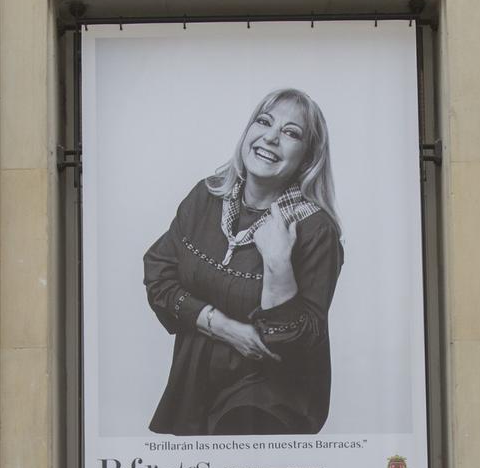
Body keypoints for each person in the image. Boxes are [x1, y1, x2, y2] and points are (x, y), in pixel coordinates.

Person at [143, 88, 345, 435]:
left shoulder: (316, 231)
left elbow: (297, 343)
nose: (271, 136)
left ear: (308, 157)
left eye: (290, 132)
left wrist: (278, 261)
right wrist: (221, 325)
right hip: (193, 388)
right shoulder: (205, 197)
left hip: (265, 405)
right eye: (264, 122)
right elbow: (159, 277)